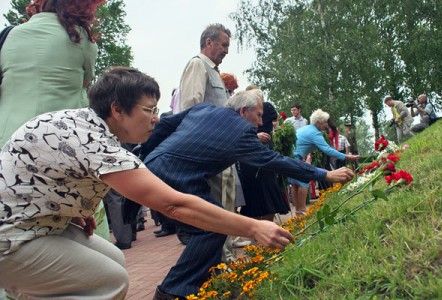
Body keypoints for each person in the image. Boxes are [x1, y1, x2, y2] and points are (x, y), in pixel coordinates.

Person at [0, 67, 295, 299]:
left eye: (156, 110)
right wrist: (254, 227)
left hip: (34, 224)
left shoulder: (79, 123)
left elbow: (41, 169)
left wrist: (70, 211)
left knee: (114, 259)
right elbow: (174, 204)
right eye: (148, 110)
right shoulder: (96, 142)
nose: (155, 119)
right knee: (108, 282)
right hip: (11, 239)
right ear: (117, 109)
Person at [137, 90, 355, 299]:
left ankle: (203, 285)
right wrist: (324, 174)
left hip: (154, 168)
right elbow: (275, 161)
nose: (261, 122)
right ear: (243, 111)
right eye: (258, 115)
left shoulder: (203, 109)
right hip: (177, 176)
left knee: (214, 225)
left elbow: (163, 126)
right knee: (213, 226)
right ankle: (172, 292)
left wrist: (145, 159)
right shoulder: (242, 132)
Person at [0, 0, 100, 147]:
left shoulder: (10, 35)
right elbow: (85, 82)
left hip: (7, 136)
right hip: (57, 140)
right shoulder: (83, 40)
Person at [177, 24, 237, 256]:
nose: (226, 51)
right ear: (209, 42)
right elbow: (191, 107)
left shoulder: (214, 72)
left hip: (224, 151)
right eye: (224, 45)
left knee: (227, 205)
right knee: (217, 209)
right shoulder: (197, 65)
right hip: (211, 151)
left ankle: (228, 260)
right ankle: (221, 267)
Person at [289, 109, 359, 216]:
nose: (326, 125)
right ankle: (302, 211)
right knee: (304, 181)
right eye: (325, 122)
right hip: (296, 158)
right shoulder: (315, 133)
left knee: (294, 184)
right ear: (318, 122)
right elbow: (327, 150)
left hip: (290, 157)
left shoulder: (306, 128)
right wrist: (347, 157)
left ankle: (298, 212)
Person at [239, 87, 290, 222]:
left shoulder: (256, 108)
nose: (260, 121)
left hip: (254, 153)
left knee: (260, 186)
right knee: (263, 186)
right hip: (255, 152)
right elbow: (276, 119)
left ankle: (261, 227)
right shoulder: (260, 108)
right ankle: (262, 227)